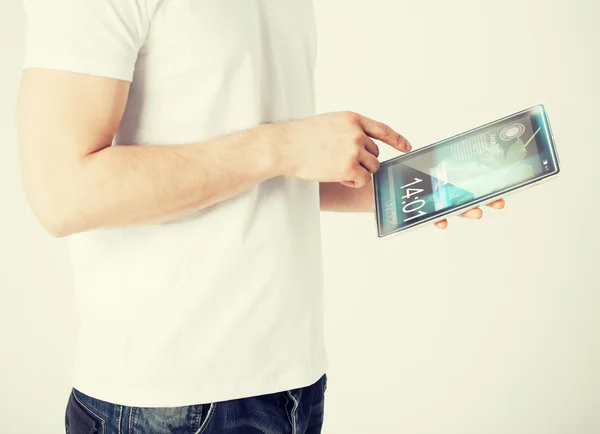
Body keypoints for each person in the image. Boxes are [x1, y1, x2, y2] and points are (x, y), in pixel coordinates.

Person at [16, 0, 505, 433]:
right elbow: (63, 193)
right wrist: (282, 144)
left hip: (293, 383)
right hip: (168, 401)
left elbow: (256, 168)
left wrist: (413, 186)